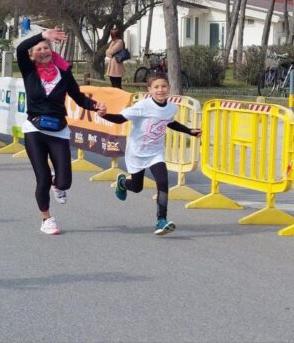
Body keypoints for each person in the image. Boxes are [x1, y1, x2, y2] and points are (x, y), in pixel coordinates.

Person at [16, 27, 106, 235]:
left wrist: (95, 106)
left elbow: (78, 97)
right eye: (39, 49)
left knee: (64, 181)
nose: (44, 51)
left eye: (46, 48)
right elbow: (21, 48)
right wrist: (42, 35)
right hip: (34, 129)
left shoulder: (63, 72)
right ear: (32, 55)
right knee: (43, 178)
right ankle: (47, 219)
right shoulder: (28, 70)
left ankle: (59, 183)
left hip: (58, 129)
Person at [103, 72, 201, 235]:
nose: (160, 90)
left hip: (156, 152)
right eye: (156, 87)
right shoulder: (143, 106)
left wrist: (189, 131)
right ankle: (123, 183)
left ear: (168, 88)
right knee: (137, 187)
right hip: (137, 152)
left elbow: (170, 122)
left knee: (162, 183)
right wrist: (103, 114)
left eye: (164, 86)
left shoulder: (171, 107)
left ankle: (161, 220)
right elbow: (121, 119)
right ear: (149, 89)